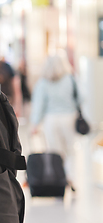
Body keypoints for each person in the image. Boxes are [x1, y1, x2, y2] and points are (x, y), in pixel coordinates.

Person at [30, 51, 79, 191]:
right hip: (69, 117)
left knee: (55, 152)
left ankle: (60, 179)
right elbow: (81, 97)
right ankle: (71, 177)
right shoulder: (70, 79)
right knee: (70, 150)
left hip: (50, 120)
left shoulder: (43, 82)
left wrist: (35, 124)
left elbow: (39, 105)